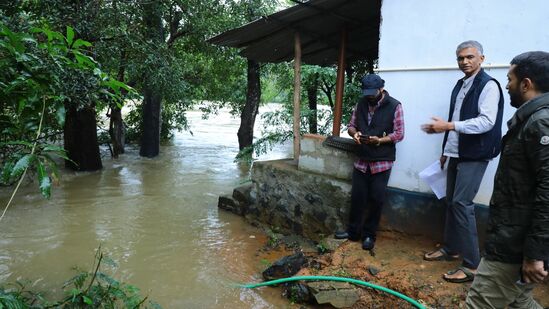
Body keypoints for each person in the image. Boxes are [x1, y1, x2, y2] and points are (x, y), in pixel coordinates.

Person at [465, 51, 549, 308]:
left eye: (509, 79)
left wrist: (535, 254)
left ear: (526, 84)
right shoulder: (531, 120)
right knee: (518, 302)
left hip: (514, 246)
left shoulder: (540, 123)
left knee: (479, 303)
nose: (507, 85)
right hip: (513, 238)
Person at [421, 40, 504, 283]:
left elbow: (486, 122)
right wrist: (446, 149)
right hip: (457, 152)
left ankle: (472, 265)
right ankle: (451, 248)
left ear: (482, 58)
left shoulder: (489, 85)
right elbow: (456, 119)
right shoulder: (461, 84)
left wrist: (447, 126)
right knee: (451, 202)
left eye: (470, 57)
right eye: (460, 58)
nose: (465, 62)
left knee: (461, 203)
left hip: (476, 154)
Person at [334, 73, 404, 251]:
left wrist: (380, 140)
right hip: (361, 159)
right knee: (357, 198)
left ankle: (369, 236)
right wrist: (354, 134)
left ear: (381, 89)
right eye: (367, 93)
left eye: (373, 93)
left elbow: (399, 133)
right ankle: (353, 232)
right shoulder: (361, 103)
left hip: (381, 162)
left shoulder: (395, 106)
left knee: (376, 200)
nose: (369, 96)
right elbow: (351, 125)